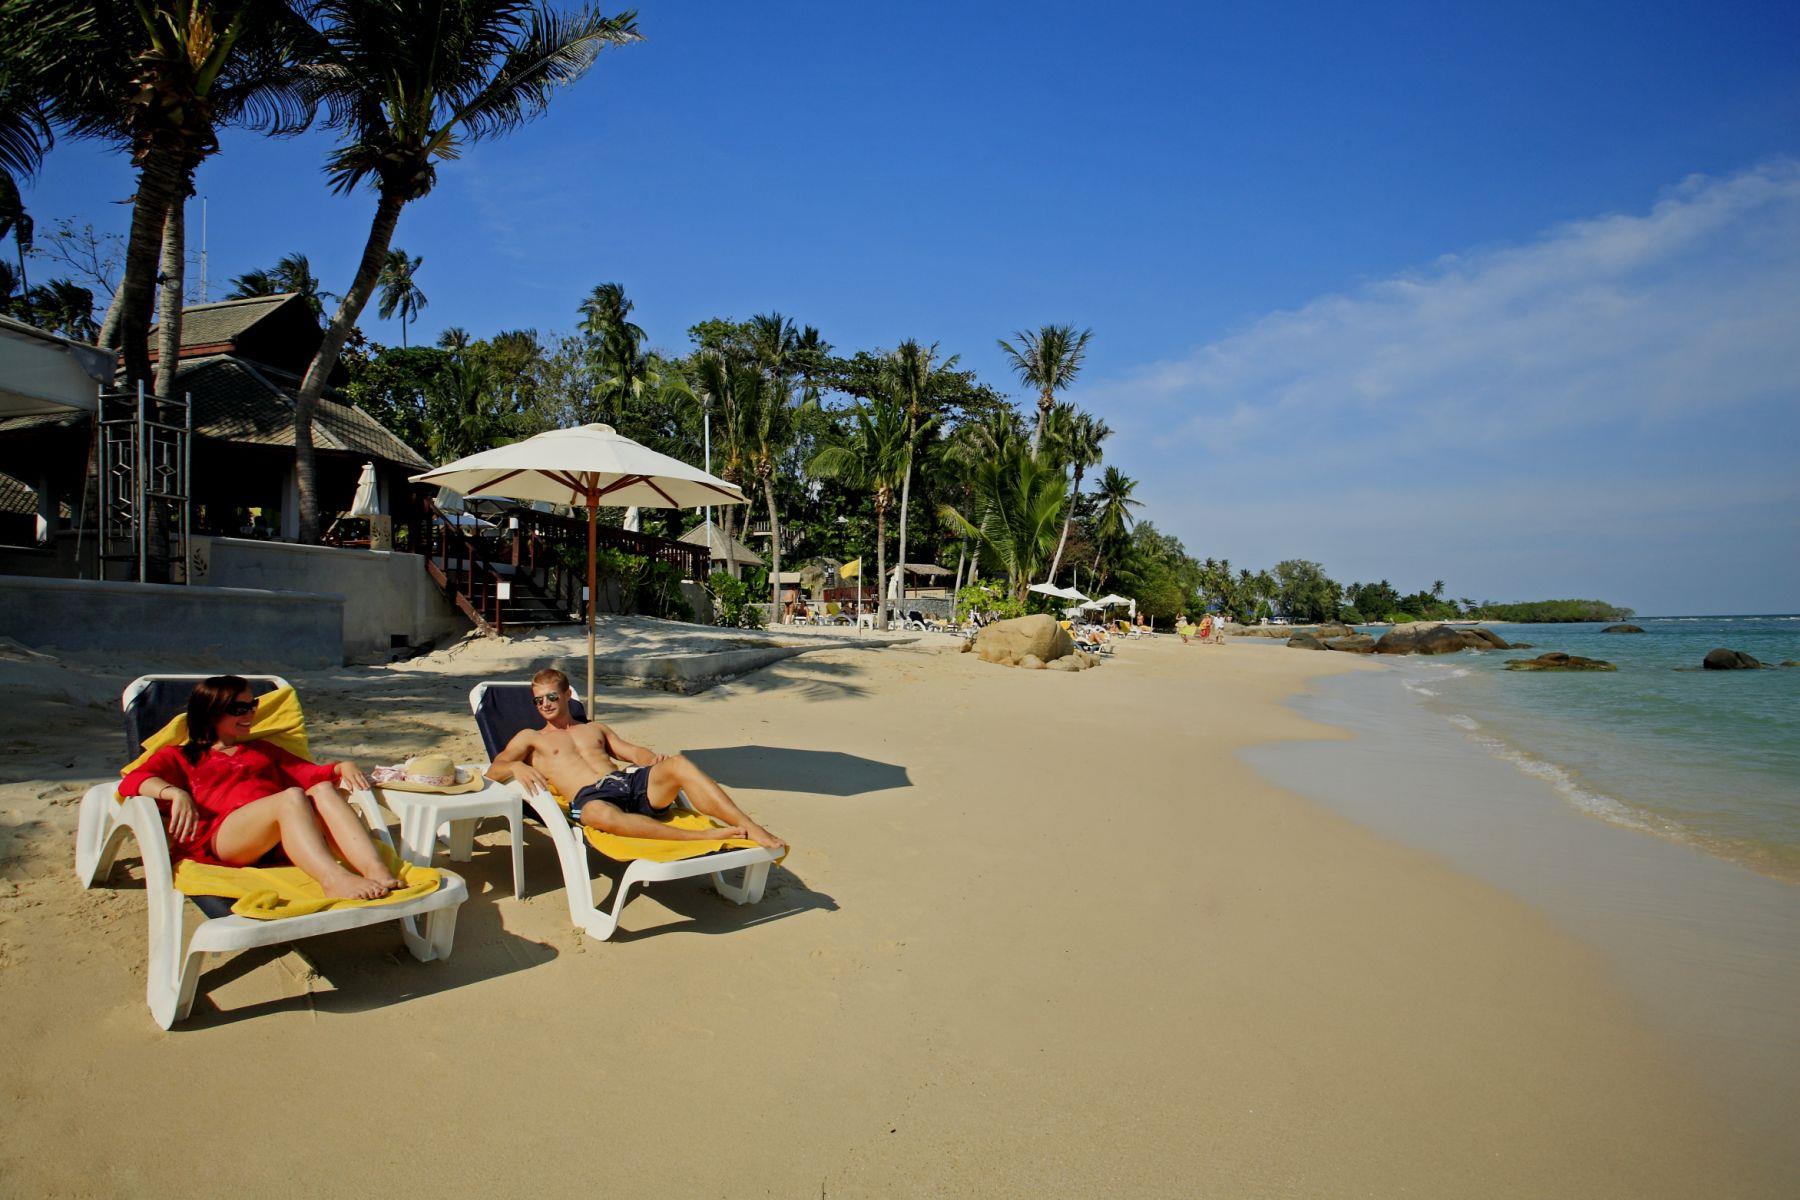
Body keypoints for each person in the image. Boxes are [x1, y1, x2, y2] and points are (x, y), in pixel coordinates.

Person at [120, 675, 400, 899]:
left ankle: (375, 869)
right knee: (290, 797)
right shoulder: (181, 756)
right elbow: (132, 781)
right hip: (223, 839)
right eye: (239, 709)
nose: (251, 713)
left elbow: (311, 774)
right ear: (211, 713)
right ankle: (333, 880)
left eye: (252, 705)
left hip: (277, 837)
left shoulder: (263, 750)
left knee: (323, 790)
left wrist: (342, 766)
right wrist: (173, 792)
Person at [487, 668, 785, 851]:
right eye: (538, 700)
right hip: (591, 797)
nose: (545, 705)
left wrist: (652, 759)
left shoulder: (595, 728)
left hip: (628, 783)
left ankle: (751, 826)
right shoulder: (531, 737)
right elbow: (492, 771)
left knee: (680, 764)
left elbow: (632, 752)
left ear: (566, 695)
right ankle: (701, 837)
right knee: (596, 816)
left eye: (551, 697)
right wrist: (515, 766)